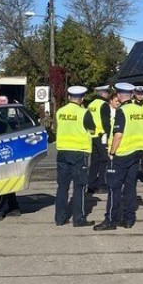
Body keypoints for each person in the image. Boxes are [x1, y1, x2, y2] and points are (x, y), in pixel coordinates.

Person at [94, 82, 143, 230]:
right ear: (131, 94)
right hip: (136, 153)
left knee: (114, 188)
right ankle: (129, 220)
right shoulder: (139, 109)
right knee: (130, 187)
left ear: (118, 95)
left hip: (121, 154)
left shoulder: (121, 111)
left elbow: (118, 135)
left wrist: (111, 153)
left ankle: (111, 220)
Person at [54, 85, 97, 228]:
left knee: (62, 187)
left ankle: (60, 218)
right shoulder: (84, 113)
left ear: (68, 98)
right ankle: (78, 219)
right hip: (79, 153)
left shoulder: (60, 112)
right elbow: (92, 129)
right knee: (79, 187)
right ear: (82, 99)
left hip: (63, 152)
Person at [86, 85, 111, 194]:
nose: (108, 95)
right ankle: (102, 185)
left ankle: (91, 185)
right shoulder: (104, 105)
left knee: (94, 162)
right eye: (107, 93)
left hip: (92, 136)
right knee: (104, 161)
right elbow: (106, 122)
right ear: (103, 94)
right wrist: (109, 134)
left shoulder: (91, 104)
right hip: (102, 136)